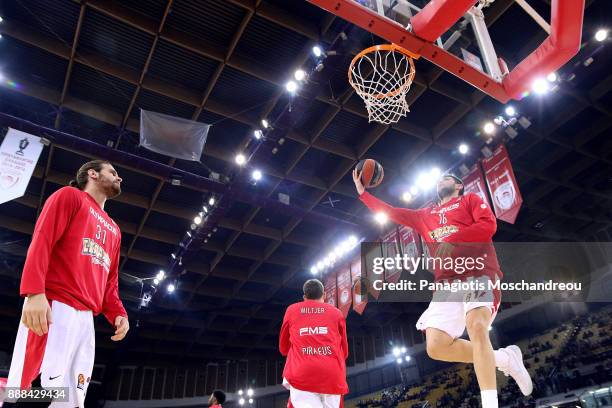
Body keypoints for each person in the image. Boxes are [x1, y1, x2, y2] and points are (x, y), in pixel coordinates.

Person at [353, 170, 532, 408]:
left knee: (477, 327)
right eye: (439, 180)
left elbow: (488, 226)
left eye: (447, 178)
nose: (441, 181)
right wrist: (364, 194)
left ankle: (490, 404)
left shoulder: (470, 200)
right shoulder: (425, 215)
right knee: (436, 347)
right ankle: (504, 358)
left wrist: (453, 240)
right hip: (447, 284)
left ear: (458, 186)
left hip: (478, 272)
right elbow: (393, 213)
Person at [5, 160, 129, 408]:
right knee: (33, 389)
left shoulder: (114, 230)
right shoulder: (70, 196)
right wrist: (34, 293)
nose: (120, 178)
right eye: (113, 172)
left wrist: (118, 313)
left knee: (71, 399)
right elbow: (42, 241)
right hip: (54, 306)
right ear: (92, 174)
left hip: (86, 320)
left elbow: (110, 282)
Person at [280, 279, 349, 408]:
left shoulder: (292, 310)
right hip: (332, 375)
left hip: (302, 374)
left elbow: (283, 348)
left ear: (304, 297)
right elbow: (344, 352)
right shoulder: (337, 313)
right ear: (324, 295)